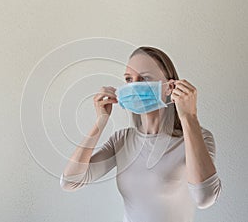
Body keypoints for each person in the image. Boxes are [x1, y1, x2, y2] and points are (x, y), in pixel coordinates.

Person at [60, 46, 222, 222]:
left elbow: (205, 198)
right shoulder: (121, 140)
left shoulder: (197, 138)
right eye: (129, 79)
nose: (134, 86)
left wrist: (189, 117)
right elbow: (70, 182)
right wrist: (100, 122)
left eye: (144, 78)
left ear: (170, 87)